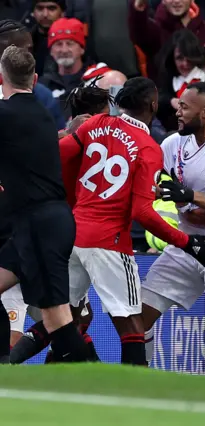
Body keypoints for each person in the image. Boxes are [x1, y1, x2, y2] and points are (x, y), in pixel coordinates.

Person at [53, 77, 205, 366]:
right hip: (109, 241)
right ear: (153, 105)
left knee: (69, 318)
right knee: (131, 324)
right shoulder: (148, 147)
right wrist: (187, 241)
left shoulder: (95, 123)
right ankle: (134, 387)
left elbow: (60, 156)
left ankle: (51, 383)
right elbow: (142, 212)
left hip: (73, 234)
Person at [8, 82, 111, 365]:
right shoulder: (81, 153)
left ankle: (58, 369)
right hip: (50, 238)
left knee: (69, 316)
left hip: (36, 234)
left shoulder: (51, 143)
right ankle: (14, 367)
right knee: (63, 317)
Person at [0, 46, 88, 363]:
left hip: (39, 224)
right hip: (39, 222)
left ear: (1, 77)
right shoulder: (40, 111)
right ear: (35, 78)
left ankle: (91, 376)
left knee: (57, 316)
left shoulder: (6, 114)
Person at [141, 82, 205, 373]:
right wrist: (157, 190)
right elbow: (155, 186)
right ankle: (139, 377)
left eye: (184, 107)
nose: (177, 112)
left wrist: (195, 198)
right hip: (183, 243)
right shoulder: (171, 144)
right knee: (140, 314)